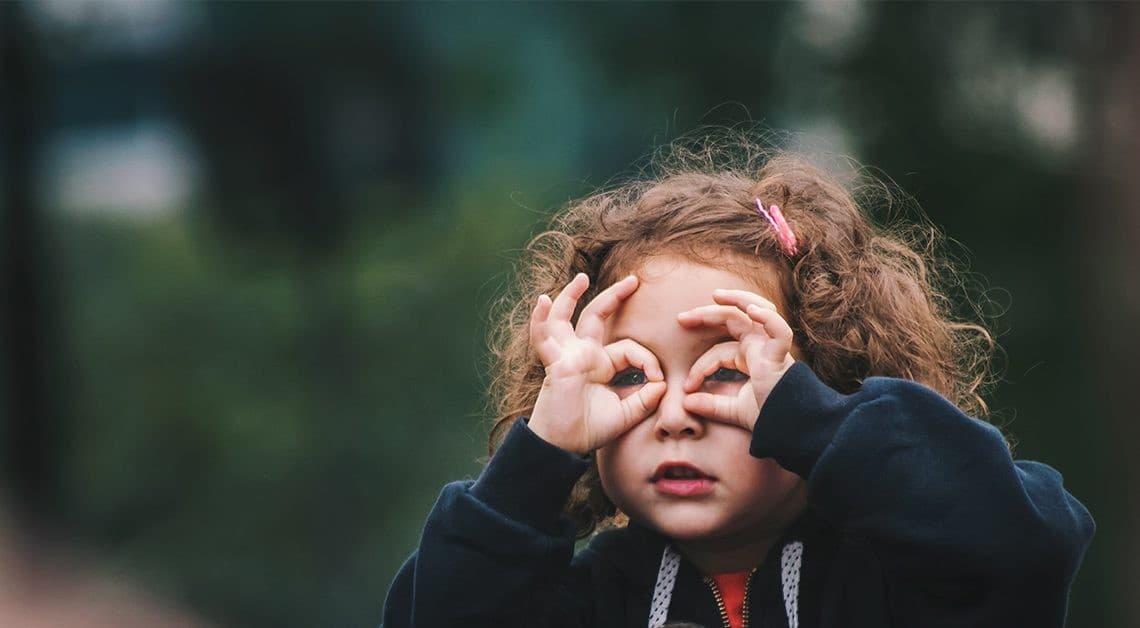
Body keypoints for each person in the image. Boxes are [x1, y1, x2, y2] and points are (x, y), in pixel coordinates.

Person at [380, 137, 1094, 628]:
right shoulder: (583, 600)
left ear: (828, 382)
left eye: (727, 371)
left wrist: (813, 422)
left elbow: (1024, 549)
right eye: (631, 374)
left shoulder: (899, 581)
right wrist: (538, 454)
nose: (679, 415)